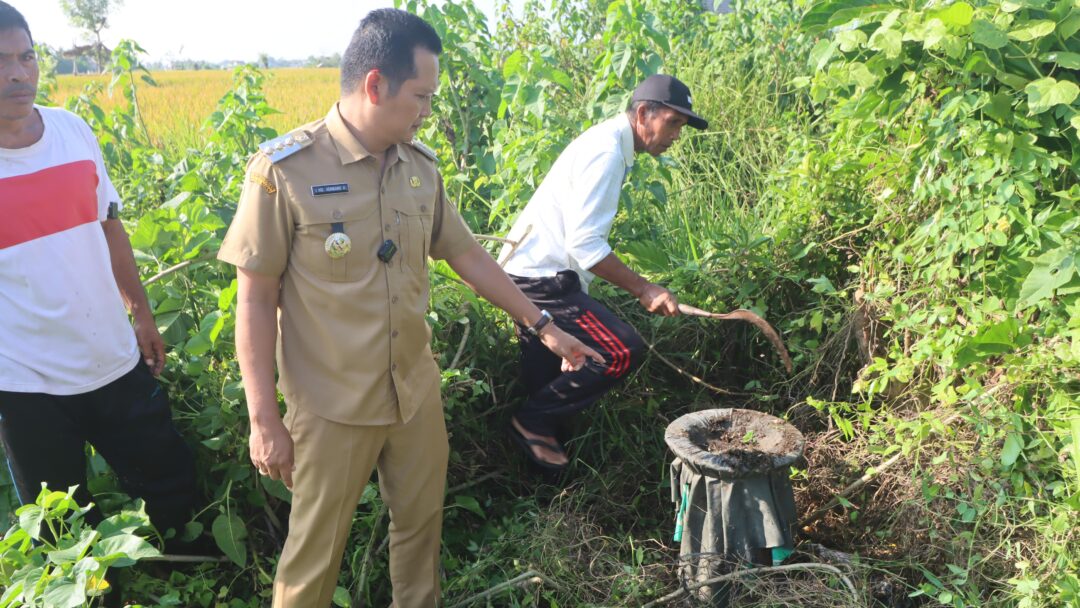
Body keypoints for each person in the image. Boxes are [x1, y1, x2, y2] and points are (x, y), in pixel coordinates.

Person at [217, 9, 600, 607]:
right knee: (314, 556)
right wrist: (263, 418)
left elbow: (468, 255)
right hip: (332, 407)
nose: (427, 110)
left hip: (414, 394)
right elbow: (256, 298)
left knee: (420, 535)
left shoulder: (417, 168)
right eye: (421, 95)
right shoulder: (283, 172)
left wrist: (544, 325)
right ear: (376, 85)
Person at [0, 1, 196, 537]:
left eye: (27, 57)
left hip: (111, 356)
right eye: (1, 61)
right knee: (62, 529)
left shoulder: (72, 131)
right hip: (25, 384)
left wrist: (142, 314)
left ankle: (192, 581)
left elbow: (110, 227)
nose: (18, 73)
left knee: (174, 491)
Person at [498, 74, 709, 470]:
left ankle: (542, 495)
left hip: (528, 275)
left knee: (546, 385)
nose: (677, 134)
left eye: (682, 126)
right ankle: (530, 421)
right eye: (674, 122)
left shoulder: (608, 143)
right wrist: (644, 289)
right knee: (619, 351)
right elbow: (585, 245)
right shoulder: (608, 151)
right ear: (644, 113)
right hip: (542, 280)